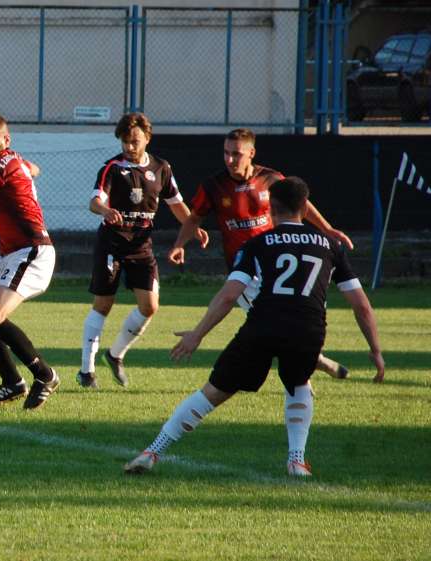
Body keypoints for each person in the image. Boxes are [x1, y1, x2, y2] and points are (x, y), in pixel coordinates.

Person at [124, 177, 385, 477]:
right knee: (299, 383)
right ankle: (296, 460)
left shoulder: (257, 245)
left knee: (213, 392)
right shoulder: (330, 246)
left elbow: (229, 296)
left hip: (263, 326)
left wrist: (197, 334)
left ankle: (153, 451)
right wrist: (375, 350)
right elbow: (361, 305)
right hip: (308, 329)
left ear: (271, 208)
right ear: (304, 207)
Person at [169, 128, 353, 379]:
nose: (230, 160)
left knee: (279, 325)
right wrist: (180, 244)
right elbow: (194, 218)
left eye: (236, 154)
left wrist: (328, 229)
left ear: (251, 153)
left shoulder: (271, 179)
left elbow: (300, 203)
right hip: (246, 271)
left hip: (276, 262)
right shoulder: (214, 186)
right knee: (279, 323)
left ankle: (311, 364)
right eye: (226, 153)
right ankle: (308, 370)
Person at [76, 112, 207, 389]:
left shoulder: (161, 168)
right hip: (111, 243)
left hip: (140, 245)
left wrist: (192, 227)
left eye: (134, 141)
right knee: (103, 304)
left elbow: (176, 203)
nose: (129, 147)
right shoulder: (112, 168)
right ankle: (86, 372)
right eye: (125, 142)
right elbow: (94, 201)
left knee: (149, 306)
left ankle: (115, 355)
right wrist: (106, 210)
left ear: (147, 138)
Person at [0, 113, 60, 410]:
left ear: (6, 140)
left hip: (31, 250)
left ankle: (44, 375)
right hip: (12, 253)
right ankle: (12, 382)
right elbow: (35, 168)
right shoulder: (13, 159)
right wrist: (27, 171)